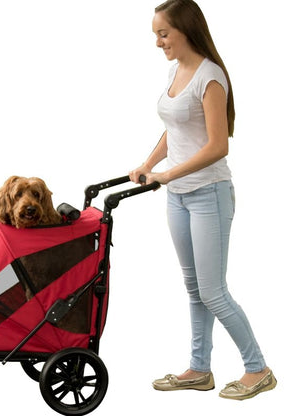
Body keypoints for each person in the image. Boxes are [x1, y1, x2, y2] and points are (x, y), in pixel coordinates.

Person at [129, 0, 276, 400]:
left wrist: (168, 174)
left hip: (209, 194)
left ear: (186, 29)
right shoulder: (176, 71)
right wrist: (148, 164)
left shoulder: (210, 77)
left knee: (213, 291)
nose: (158, 43)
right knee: (194, 288)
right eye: (156, 35)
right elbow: (174, 128)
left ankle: (258, 369)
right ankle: (199, 369)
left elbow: (217, 145)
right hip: (177, 198)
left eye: (163, 34)